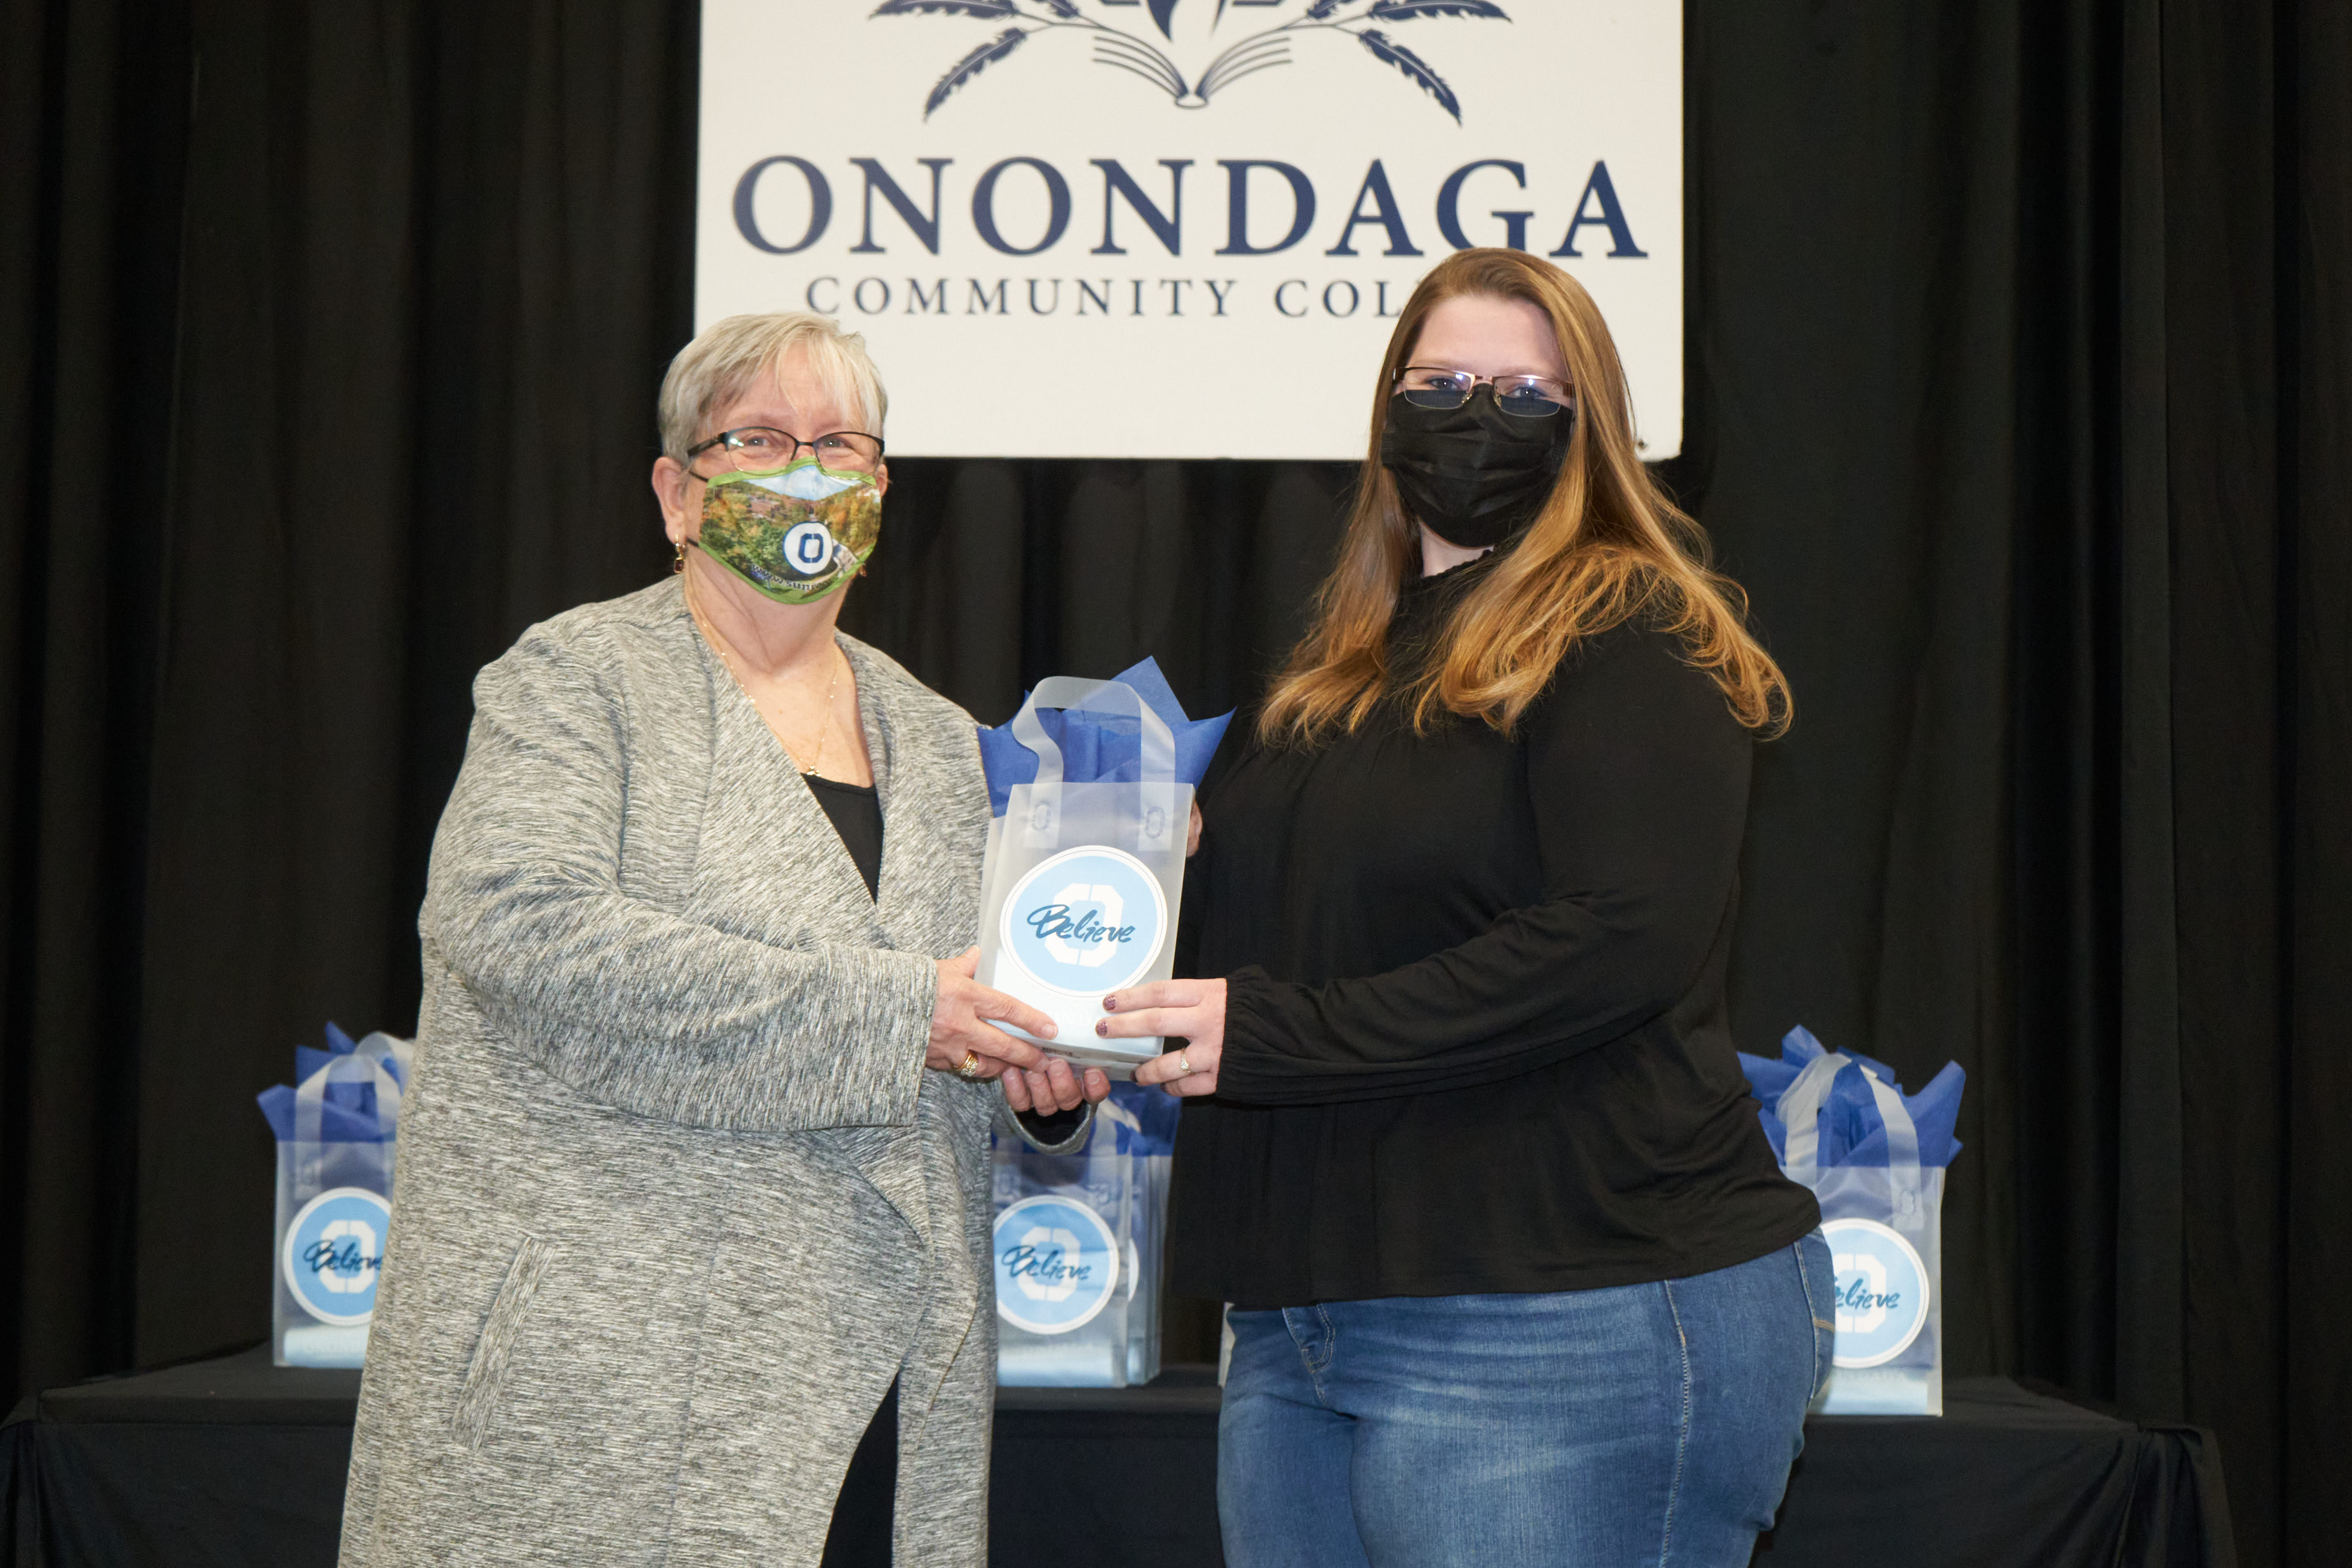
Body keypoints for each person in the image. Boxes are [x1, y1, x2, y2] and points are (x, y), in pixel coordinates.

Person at [1099, 249, 1834, 1568]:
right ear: (1387, 409)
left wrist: (1269, 1035)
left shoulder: (1627, 626)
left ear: (1591, 428)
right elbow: (1256, 972)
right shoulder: (1334, 679)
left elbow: (1619, 937)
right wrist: (1081, 1031)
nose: (1474, 417)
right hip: (1305, 1317)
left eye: (1524, 393)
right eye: (1440, 382)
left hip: (1570, 1308)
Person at [340, 312, 1107, 1568]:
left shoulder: (950, 743)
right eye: (754, 439)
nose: (801, 473)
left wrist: (1048, 1073)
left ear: (878, 489)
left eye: (835, 444)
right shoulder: (574, 679)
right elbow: (522, 927)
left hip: (870, 1367)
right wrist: (906, 1012)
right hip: (594, 1377)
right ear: (677, 493)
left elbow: (983, 1006)